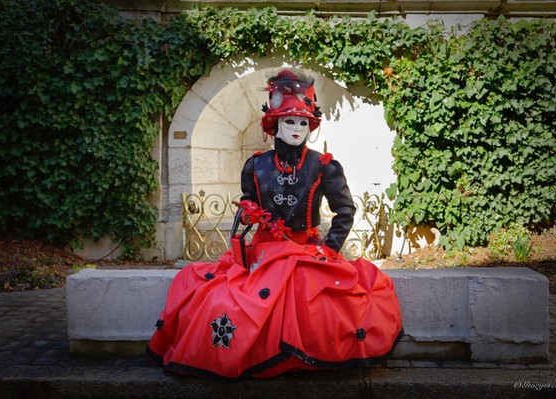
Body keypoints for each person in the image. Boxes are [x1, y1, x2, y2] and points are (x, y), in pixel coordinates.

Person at [147, 69, 403, 380]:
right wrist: (246, 222)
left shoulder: (325, 166)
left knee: (314, 296)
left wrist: (328, 250)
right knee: (219, 296)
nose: (297, 128)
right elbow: (248, 206)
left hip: (306, 252)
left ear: (311, 126)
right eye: (289, 121)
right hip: (264, 253)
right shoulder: (256, 165)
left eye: (303, 123)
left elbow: (345, 211)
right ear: (274, 125)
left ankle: (294, 358)